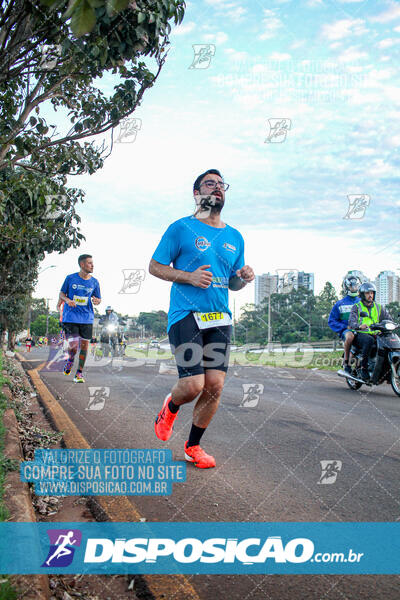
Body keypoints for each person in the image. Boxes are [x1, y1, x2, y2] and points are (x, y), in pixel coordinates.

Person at [149, 168, 254, 469]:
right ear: (197, 194)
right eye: (210, 184)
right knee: (193, 385)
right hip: (186, 314)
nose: (218, 188)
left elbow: (232, 282)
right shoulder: (181, 228)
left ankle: (193, 446)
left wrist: (242, 278)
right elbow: (155, 266)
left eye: (222, 185)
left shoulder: (235, 236)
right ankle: (170, 406)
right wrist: (188, 276)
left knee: (215, 386)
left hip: (220, 318)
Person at [59, 254, 101, 383]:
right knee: (73, 346)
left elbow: (98, 298)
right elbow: (61, 293)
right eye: (89, 263)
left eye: (92, 263)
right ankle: (70, 360)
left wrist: (96, 300)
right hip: (71, 316)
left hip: (87, 317)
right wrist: (67, 300)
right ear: (82, 264)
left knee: (84, 346)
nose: (92, 265)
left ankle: (79, 374)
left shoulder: (94, 282)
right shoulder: (70, 278)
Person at [348, 282, 391, 382]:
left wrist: (393, 324)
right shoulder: (357, 307)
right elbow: (351, 322)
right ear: (362, 294)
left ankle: (387, 370)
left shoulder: (379, 307)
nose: (370, 295)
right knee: (369, 340)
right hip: (360, 334)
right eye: (367, 293)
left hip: (376, 334)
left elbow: (388, 318)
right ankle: (364, 368)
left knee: (390, 342)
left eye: (372, 293)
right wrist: (359, 326)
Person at [328, 274, 361, 375]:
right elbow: (331, 321)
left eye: (356, 286)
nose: (354, 288)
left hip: (361, 329)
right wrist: (344, 327)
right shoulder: (340, 304)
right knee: (350, 336)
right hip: (347, 330)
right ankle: (346, 362)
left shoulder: (362, 302)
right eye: (351, 286)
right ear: (346, 287)